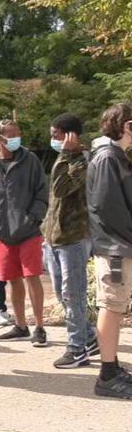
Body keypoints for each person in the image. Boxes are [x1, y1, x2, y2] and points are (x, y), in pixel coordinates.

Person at [0, 120, 49, 346]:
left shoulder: (31, 161)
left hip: (29, 232)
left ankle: (39, 328)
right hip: (2, 235)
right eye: (11, 135)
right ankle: (21, 326)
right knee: (13, 280)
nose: (17, 138)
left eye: (18, 133)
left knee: (32, 277)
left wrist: (33, 218)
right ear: (0, 138)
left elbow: (42, 192)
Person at [42, 113, 99, 369]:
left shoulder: (83, 161)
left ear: (71, 136)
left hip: (73, 238)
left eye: (56, 135)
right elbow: (55, 201)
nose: (53, 140)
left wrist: (66, 154)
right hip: (54, 237)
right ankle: (89, 337)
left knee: (73, 294)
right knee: (61, 293)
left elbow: (60, 189)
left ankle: (77, 349)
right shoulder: (65, 160)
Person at [87, 103, 132, 399]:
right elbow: (108, 207)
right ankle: (107, 375)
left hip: (119, 245)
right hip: (115, 247)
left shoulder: (115, 156)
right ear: (127, 126)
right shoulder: (107, 158)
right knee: (112, 306)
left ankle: (112, 367)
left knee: (115, 306)